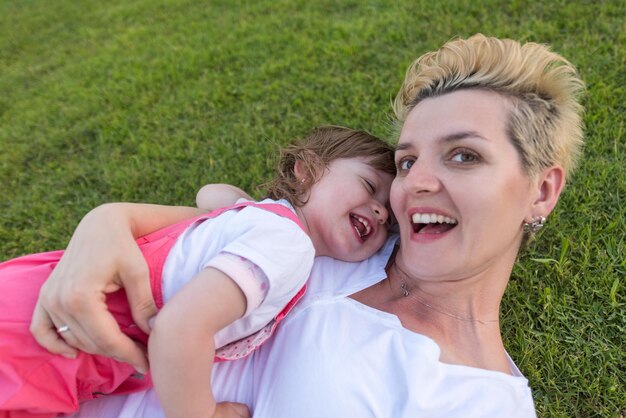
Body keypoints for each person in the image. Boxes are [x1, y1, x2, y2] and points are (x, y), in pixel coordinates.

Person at [30, 33, 584, 417]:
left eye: (464, 156)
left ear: (540, 190)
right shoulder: (333, 244)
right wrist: (102, 224)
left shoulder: (477, 401)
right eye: (408, 161)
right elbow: (202, 221)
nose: (413, 183)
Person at [0, 126, 396, 418]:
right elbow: (179, 328)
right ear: (306, 170)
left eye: (389, 218)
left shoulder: (261, 218)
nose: (380, 210)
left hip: (34, 293)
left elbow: (210, 192)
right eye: (368, 185)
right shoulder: (287, 245)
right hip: (48, 346)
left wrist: (238, 201)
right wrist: (204, 413)